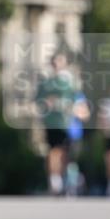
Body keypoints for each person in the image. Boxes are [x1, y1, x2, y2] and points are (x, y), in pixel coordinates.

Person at [35, 52, 79, 196]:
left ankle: (64, 178)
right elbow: (38, 101)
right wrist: (46, 103)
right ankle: (54, 180)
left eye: (60, 62)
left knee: (65, 152)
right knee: (53, 150)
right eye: (55, 62)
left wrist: (73, 108)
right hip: (51, 121)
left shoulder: (69, 81)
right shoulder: (46, 81)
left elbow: (76, 99)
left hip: (66, 122)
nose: (57, 65)